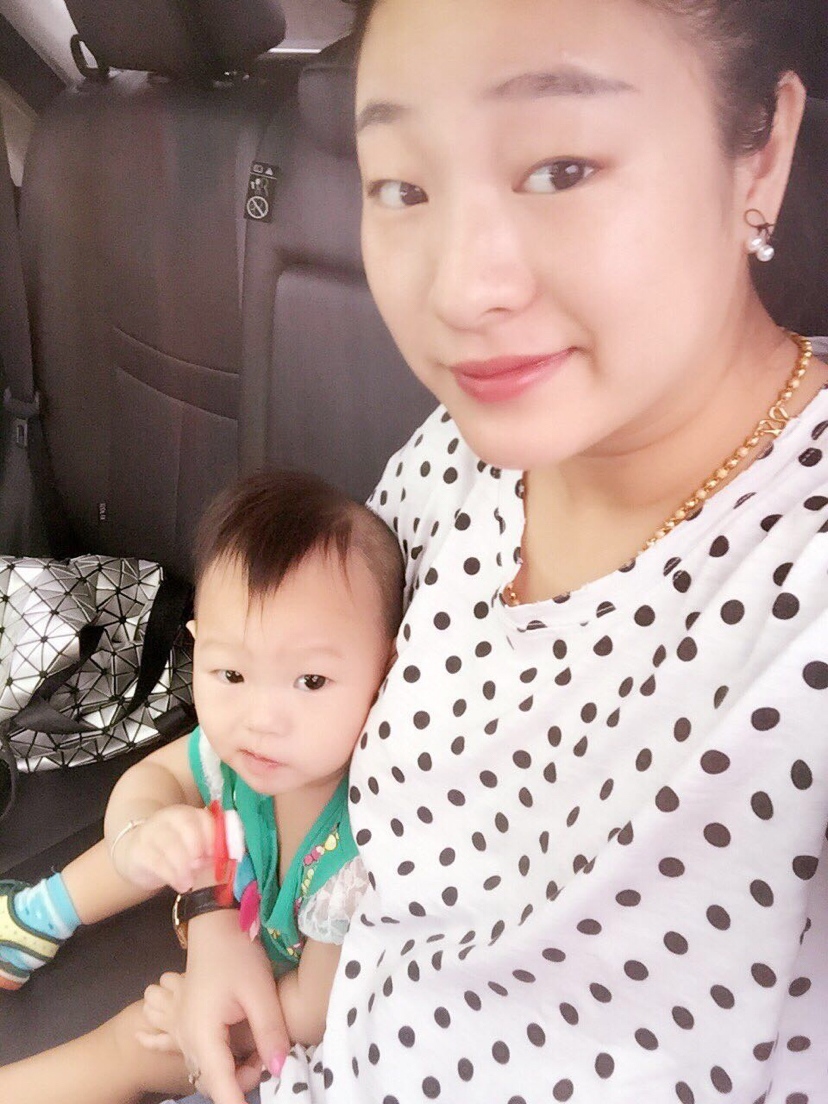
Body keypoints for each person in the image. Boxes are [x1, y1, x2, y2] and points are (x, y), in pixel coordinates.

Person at [167, 1, 828, 1103]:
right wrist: (207, 922)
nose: (459, 291)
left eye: (562, 169)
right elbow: (304, 755)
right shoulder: (461, 457)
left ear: (761, 151)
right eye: (401, 188)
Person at [0, 470, 403, 1104]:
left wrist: (206, 1018)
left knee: (133, 1042)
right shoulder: (237, 751)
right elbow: (153, 778)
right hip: (219, 899)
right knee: (163, 837)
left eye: (311, 681)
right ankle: (33, 919)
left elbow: (314, 1010)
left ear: (386, 672)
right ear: (198, 648)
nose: (260, 719)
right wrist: (141, 836)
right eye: (231, 673)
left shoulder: (357, 846)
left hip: (264, 995)